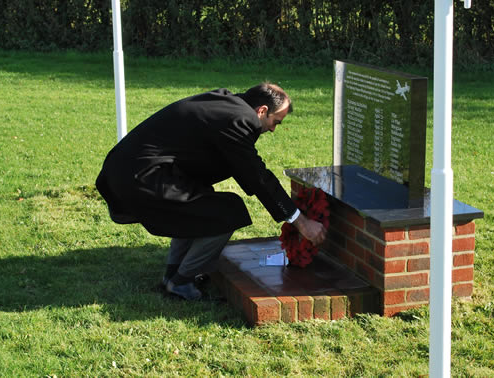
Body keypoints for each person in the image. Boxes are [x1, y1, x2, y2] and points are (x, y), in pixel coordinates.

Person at [96, 83, 327, 300]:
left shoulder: (228, 105)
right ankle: (181, 282)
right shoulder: (240, 119)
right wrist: (301, 222)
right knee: (227, 212)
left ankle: (174, 275)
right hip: (141, 177)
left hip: (131, 169)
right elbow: (257, 176)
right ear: (262, 110)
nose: (274, 130)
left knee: (202, 204)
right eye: (276, 121)